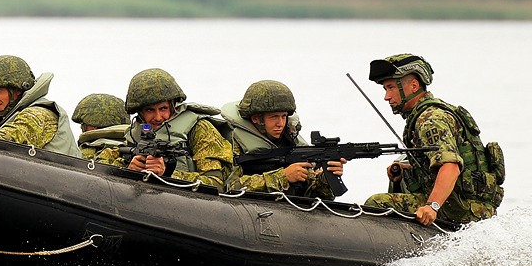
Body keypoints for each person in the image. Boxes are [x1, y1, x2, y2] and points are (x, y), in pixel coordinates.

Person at [363, 54, 504, 226]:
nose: (386, 97)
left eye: (391, 88)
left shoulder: (430, 120)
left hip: (459, 209)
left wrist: (432, 206)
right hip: (472, 206)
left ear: (414, 86)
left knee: (377, 203)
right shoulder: (434, 113)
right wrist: (407, 168)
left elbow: (451, 166)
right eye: (385, 89)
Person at [96, 68, 235, 191]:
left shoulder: (199, 128)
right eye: (150, 110)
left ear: (173, 105)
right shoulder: (134, 133)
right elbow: (98, 167)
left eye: (163, 108)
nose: (158, 117)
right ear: (140, 112)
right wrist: (128, 170)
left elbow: (216, 184)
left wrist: (168, 174)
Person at [221, 80, 345, 198]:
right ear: (256, 119)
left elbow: (315, 194)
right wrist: (283, 177)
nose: (280, 123)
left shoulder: (291, 142)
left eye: (284, 116)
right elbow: (229, 188)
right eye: (274, 117)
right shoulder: (232, 143)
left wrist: (324, 179)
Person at [71, 93, 130, 160]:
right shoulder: (132, 149)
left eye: (83, 123)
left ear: (94, 124)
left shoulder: (83, 153)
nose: (81, 127)